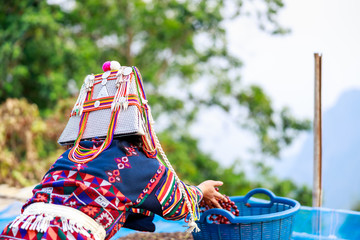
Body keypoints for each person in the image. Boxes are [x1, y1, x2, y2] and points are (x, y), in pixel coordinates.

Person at [0, 61, 226, 240]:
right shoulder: (141, 164)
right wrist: (201, 190)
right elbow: (178, 203)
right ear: (140, 124)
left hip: (18, 229)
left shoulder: (69, 156)